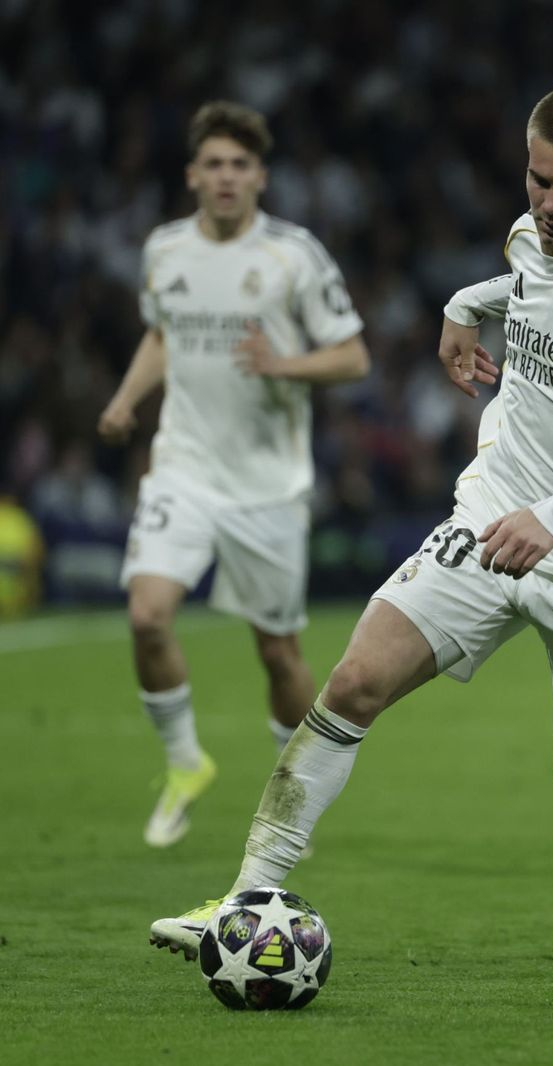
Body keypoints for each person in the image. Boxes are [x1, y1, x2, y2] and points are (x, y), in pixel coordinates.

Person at [149, 84, 553, 960]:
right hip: (490, 515)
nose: (551, 205)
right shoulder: (530, 233)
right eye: (538, 181)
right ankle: (249, 898)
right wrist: (467, 303)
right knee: (351, 684)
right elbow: (528, 278)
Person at [99, 101, 370, 848]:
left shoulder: (295, 255)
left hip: (268, 487)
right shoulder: (165, 250)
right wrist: (126, 400)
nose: (226, 177)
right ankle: (186, 763)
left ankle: (296, 798)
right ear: (193, 175)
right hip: (182, 467)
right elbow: (163, 332)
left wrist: (284, 362)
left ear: (261, 178)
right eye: (213, 164)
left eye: (240, 165)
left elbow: (352, 356)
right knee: (148, 614)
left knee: (277, 651)